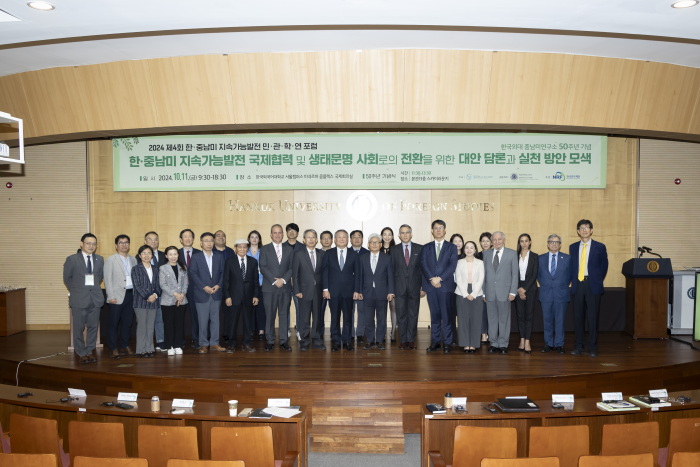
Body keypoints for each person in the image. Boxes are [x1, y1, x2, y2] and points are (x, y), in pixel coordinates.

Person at [63, 233, 105, 364]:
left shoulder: (99, 259)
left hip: (95, 298)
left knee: (93, 327)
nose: (91, 246)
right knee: (79, 327)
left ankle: (89, 350)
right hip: (79, 299)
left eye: (94, 244)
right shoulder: (72, 259)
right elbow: (67, 278)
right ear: (82, 243)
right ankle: (81, 352)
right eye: (88, 243)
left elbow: (100, 277)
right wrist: (77, 290)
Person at [569, 219, 608, 358]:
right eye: (581, 228)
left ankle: (592, 347)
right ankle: (579, 346)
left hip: (592, 285)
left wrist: (596, 280)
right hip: (578, 285)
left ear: (591, 230)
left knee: (593, 317)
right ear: (578, 231)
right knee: (578, 316)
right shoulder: (572, 247)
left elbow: (604, 267)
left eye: (587, 227)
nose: (584, 230)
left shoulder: (600, 247)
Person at [420, 220, 458, 354]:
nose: (438, 230)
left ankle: (446, 342)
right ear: (432, 231)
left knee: (446, 316)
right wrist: (432, 279)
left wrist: (440, 278)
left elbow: (452, 266)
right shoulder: (426, 247)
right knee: (434, 316)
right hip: (431, 287)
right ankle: (435, 342)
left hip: (445, 286)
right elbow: (423, 265)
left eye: (440, 228)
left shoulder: (452, 247)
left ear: (445, 230)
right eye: (435, 228)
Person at [322, 229, 361, 352]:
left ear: (348, 239)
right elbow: (325, 273)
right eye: (339, 237)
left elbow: (358, 274)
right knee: (335, 318)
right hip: (333, 291)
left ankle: (347, 341)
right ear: (334, 239)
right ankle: (336, 342)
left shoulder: (354, 254)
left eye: (344, 237)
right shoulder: (328, 253)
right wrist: (325, 289)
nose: (342, 239)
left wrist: (356, 290)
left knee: (348, 317)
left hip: (349, 291)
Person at [189, 232, 226, 354]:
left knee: (216, 320)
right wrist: (204, 287)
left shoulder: (219, 256)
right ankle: (203, 343)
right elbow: (192, 273)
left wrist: (218, 285)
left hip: (216, 293)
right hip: (201, 293)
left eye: (211, 240)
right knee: (202, 321)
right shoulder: (196, 257)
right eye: (206, 241)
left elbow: (222, 272)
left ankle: (214, 343)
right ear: (201, 243)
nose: (209, 243)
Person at [483, 231, 518, 354]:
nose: (497, 242)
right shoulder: (486, 254)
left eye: (499, 239)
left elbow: (515, 274)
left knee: (504, 319)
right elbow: (484, 275)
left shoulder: (512, 254)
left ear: (504, 240)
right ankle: (493, 343)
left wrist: (513, 292)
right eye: (494, 240)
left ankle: (503, 344)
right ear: (492, 242)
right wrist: (483, 293)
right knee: (491, 319)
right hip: (489, 292)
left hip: (505, 292)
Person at [260, 224, 294, 352]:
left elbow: (292, 267)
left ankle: (284, 341)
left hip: (285, 288)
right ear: (270, 234)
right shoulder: (264, 249)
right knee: (270, 315)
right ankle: (269, 340)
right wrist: (275, 281)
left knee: (284, 315)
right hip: (270, 288)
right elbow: (263, 267)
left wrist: (283, 280)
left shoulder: (289, 249)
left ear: (283, 234)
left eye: (280, 232)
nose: (277, 235)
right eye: (275, 233)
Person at [357, 233, 395, 350]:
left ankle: (379, 340)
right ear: (368, 245)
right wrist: (359, 291)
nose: (374, 244)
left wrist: (391, 292)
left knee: (381, 318)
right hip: (366, 292)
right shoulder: (362, 258)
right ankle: (369, 341)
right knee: (368, 318)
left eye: (377, 242)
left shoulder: (387, 258)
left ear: (381, 244)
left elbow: (390, 276)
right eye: (372, 242)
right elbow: (359, 276)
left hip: (382, 292)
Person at [223, 238, 260, 353]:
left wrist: (256, 295)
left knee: (248, 321)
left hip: (249, 296)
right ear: (236, 249)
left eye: (245, 247)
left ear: (247, 249)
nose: (242, 249)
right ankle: (232, 344)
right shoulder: (229, 261)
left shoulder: (253, 261)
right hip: (234, 296)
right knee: (232, 320)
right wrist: (227, 296)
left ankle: (247, 343)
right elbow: (226, 281)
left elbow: (255, 280)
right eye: (240, 247)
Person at [390, 224, 423, 350]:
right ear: (399, 235)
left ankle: (411, 340)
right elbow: (392, 270)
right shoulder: (394, 249)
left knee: (413, 314)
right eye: (402, 233)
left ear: (411, 234)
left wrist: (423, 287)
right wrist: (391, 289)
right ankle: (403, 340)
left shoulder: (419, 248)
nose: (405, 235)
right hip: (399, 288)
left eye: (407, 232)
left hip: (415, 287)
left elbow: (422, 269)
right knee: (401, 315)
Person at [104, 234, 137, 359]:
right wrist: (110, 296)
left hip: (130, 296)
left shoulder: (133, 259)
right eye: (121, 242)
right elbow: (107, 280)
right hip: (116, 297)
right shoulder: (111, 260)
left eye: (126, 242)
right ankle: (113, 348)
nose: (124, 244)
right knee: (113, 324)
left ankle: (124, 345)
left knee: (127, 323)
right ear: (116, 245)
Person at [292, 229, 326, 351]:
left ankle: (317, 340)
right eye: (308, 237)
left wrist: (325, 289)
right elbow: (295, 274)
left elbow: (324, 274)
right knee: (304, 317)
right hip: (303, 291)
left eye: (313, 237)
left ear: (317, 240)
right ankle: (304, 341)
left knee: (317, 317)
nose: (311, 239)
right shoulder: (298, 254)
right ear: (304, 240)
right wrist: (296, 290)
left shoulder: (322, 254)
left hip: (318, 291)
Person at [538, 234, 571, 354]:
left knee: (560, 320)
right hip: (546, 293)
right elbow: (539, 276)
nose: (554, 244)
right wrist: (548, 285)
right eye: (551, 242)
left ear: (560, 244)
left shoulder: (567, 258)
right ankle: (548, 344)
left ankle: (559, 344)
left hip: (561, 293)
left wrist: (558, 284)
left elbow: (569, 276)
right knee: (546, 320)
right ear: (547, 244)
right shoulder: (540, 258)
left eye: (556, 242)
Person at [131, 245, 161, 358]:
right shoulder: (135, 269)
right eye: (143, 253)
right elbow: (137, 286)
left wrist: (155, 295)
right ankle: (141, 349)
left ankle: (149, 348)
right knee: (142, 326)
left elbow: (159, 285)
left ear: (152, 255)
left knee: (150, 326)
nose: (146, 255)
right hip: (140, 302)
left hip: (154, 301)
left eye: (149, 253)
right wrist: (148, 296)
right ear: (139, 255)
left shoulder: (156, 269)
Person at [455, 241, 485, 353]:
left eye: (471, 248)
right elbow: (457, 278)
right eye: (467, 247)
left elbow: (481, 279)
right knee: (463, 319)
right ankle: (465, 343)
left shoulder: (480, 263)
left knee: (475, 319)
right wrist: (465, 293)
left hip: (476, 292)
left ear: (475, 250)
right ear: (464, 250)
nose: (469, 250)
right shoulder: (459, 262)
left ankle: (473, 344)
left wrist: (473, 293)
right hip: (461, 292)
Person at [159, 246, 188, 355]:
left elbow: (185, 284)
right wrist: (175, 294)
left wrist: (181, 295)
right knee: (168, 324)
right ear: (166, 256)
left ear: (178, 255)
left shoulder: (183, 267)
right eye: (170, 254)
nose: (173, 256)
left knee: (179, 324)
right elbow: (163, 285)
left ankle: (177, 345)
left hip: (182, 300)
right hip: (167, 301)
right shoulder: (163, 268)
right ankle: (169, 346)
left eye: (175, 254)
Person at [515, 233, 539, 354]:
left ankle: (528, 341)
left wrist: (525, 289)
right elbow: (513, 274)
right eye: (522, 241)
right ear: (519, 243)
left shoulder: (535, 256)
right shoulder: (515, 256)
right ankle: (522, 340)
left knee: (529, 315)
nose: (524, 243)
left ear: (530, 242)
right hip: (518, 288)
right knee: (520, 316)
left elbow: (534, 274)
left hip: (530, 288)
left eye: (526, 241)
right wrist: (519, 288)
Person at [145, 231, 167, 352]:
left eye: (156, 239)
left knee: (160, 318)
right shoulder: (139, 257)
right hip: (146, 295)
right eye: (150, 239)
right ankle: (147, 344)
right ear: (145, 241)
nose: (153, 242)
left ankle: (160, 341)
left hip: (162, 293)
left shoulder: (164, 255)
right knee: (147, 320)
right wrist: (148, 294)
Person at [179, 229, 201, 349]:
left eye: (190, 236)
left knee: (195, 314)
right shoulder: (175, 253)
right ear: (181, 240)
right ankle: (180, 340)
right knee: (179, 315)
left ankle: (195, 338)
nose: (187, 239)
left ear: (193, 239)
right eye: (185, 237)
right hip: (180, 289)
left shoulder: (199, 253)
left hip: (195, 288)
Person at [214, 230, 236, 345]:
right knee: (214, 313)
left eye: (223, 235)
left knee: (228, 313)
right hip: (214, 287)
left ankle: (227, 334)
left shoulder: (231, 251)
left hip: (228, 287)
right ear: (214, 239)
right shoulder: (210, 251)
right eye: (218, 235)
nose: (221, 237)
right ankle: (212, 335)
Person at [284, 223, 306, 340]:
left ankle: (299, 330)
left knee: (300, 308)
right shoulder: (281, 246)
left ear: (298, 233)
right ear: (286, 233)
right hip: (285, 283)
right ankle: (286, 330)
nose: (291, 232)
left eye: (294, 230)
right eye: (289, 230)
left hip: (299, 283)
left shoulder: (303, 247)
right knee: (285, 307)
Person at [349, 229, 369, 343]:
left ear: (362, 239)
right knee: (349, 311)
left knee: (362, 311)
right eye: (354, 237)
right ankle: (351, 334)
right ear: (350, 240)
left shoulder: (367, 253)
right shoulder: (346, 252)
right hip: (349, 288)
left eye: (359, 236)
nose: (357, 239)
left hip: (363, 288)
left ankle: (360, 333)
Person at [246, 230, 266, 341]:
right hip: (249, 286)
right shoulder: (244, 251)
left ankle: (261, 330)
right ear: (249, 239)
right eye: (252, 237)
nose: (254, 239)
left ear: (259, 239)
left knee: (261, 308)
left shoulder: (263, 251)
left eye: (256, 237)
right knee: (250, 309)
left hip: (262, 285)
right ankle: (250, 330)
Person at [448, 233, 466, 345]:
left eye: (460, 241)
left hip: (463, 288)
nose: (458, 243)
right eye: (455, 241)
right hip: (451, 287)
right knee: (451, 314)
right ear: (451, 243)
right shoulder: (448, 256)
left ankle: (464, 339)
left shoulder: (466, 256)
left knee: (463, 315)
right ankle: (452, 338)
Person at [380, 227, 397, 343]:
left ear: (392, 236)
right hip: (380, 284)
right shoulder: (376, 248)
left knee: (393, 308)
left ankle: (394, 332)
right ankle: (382, 332)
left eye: (389, 234)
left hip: (393, 283)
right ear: (381, 236)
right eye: (385, 234)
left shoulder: (396, 249)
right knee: (381, 309)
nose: (387, 236)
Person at [476, 232, 492, 345]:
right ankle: (483, 335)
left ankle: (491, 334)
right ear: (480, 243)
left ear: (491, 243)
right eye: (483, 241)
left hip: (492, 288)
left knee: (491, 313)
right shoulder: (476, 256)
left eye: (487, 241)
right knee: (481, 312)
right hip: (479, 288)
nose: (485, 243)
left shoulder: (495, 255)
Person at [318, 230, 334, 339]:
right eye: (324, 238)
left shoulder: (335, 253)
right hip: (319, 288)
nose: (326, 240)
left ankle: (334, 332)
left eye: (328, 238)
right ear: (320, 240)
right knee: (320, 311)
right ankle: (320, 332)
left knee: (335, 311)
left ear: (332, 240)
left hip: (334, 287)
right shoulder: (316, 253)